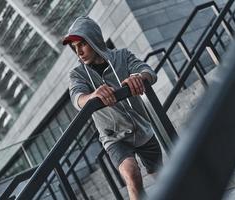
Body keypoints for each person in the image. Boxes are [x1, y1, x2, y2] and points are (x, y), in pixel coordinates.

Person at [63, 16, 162, 200]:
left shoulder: (122, 56)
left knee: (163, 178)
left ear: (94, 39)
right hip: (113, 137)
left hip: (142, 128)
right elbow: (77, 98)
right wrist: (92, 96)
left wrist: (139, 77)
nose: (79, 52)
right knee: (132, 174)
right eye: (75, 48)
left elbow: (148, 71)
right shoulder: (77, 73)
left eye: (82, 44)